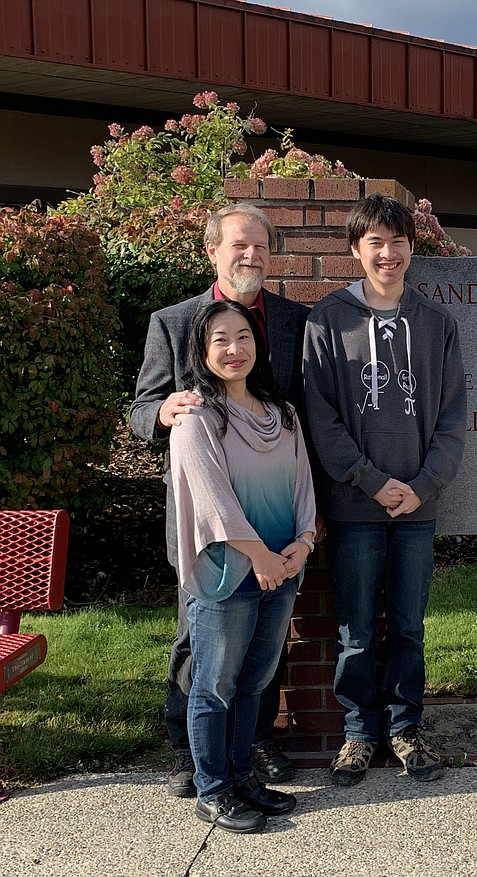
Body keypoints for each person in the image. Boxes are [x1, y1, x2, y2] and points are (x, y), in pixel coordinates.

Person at [129, 203, 310, 797]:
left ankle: (249, 746)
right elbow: (139, 409)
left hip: (277, 510)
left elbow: (301, 413)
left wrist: (305, 527)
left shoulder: (293, 321)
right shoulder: (173, 321)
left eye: (260, 246)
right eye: (238, 245)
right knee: (200, 640)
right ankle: (191, 751)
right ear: (212, 251)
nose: (250, 255)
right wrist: (161, 411)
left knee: (261, 645)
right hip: (206, 518)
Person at [303, 193, 467, 787]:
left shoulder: (436, 324)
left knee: (408, 624)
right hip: (354, 507)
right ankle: (357, 734)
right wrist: (372, 482)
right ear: (355, 250)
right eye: (375, 242)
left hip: (417, 509)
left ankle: (405, 728)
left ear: (411, 249)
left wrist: (421, 487)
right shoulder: (327, 320)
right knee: (353, 630)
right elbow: (320, 417)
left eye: (398, 241)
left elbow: (452, 418)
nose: (387, 253)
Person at [170, 300, 316, 832]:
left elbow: (303, 485)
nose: (235, 349)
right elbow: (214, 503)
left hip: (281, 569)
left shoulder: (283, 414)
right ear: (202, 352)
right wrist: (260, 558)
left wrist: (302, 544)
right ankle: (213, 789)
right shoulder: (195, 419)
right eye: (220, 340)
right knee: (214, 685)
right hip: (228, 575)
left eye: (244, 337)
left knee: (254, 682)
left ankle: (242, 777)